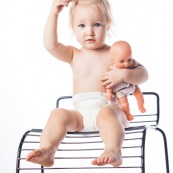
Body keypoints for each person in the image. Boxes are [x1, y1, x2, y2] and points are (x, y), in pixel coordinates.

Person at [26, 0, 148, 167]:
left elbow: (143, 74)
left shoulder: (114, 53)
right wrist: (54, 13)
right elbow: (50, 45)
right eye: (82, 26)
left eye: (97, 24)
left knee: (107, 115)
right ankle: (48, 150)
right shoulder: (73, 55)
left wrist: (124, 74)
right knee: (58, 114)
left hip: (108, 109)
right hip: (81, 116)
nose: (89, 32)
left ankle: (114, 150)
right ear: (73, 28)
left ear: (108, 25)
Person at [106, 41, 146, 121]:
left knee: (140, 96)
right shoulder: (111, 70)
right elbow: (108, 83)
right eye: (122, 61)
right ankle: (127, 114)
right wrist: (109, 92)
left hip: (132, 85)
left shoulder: (133, 63)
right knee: (124, 104)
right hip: (121, 91)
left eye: (129, 59)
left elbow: (141, 69)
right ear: (113, 60)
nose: (127, 64)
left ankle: (141, 105)